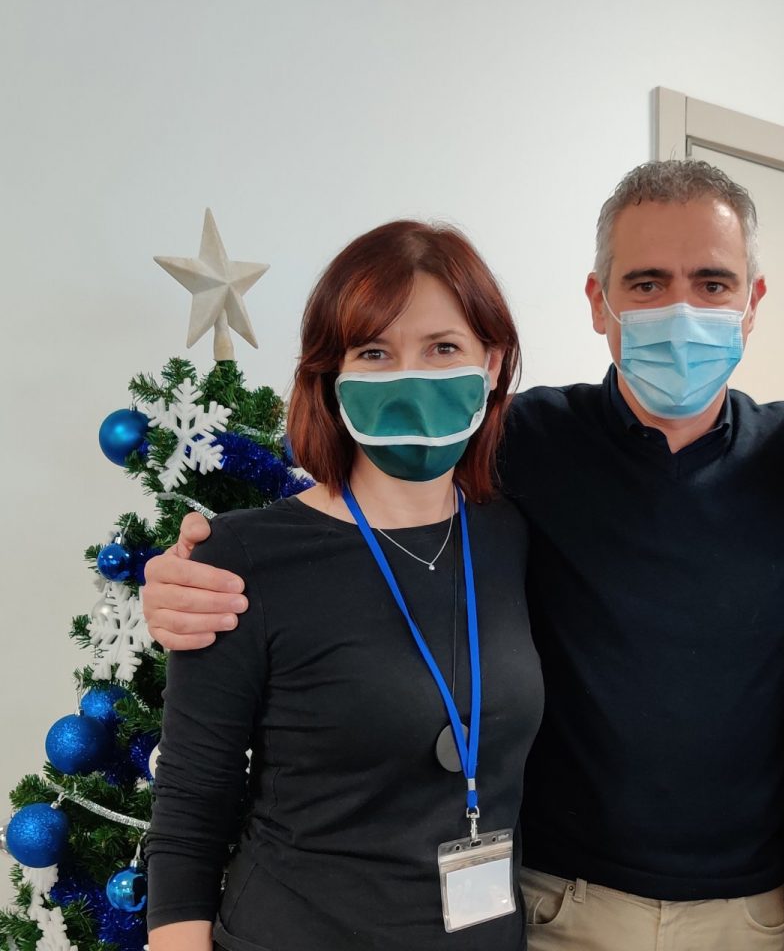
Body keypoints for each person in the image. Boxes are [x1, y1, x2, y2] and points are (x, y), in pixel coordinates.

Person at [143, 161, 784, 951]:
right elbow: (371, 495)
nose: (680, 310)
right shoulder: (519, 446)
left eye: (711, 283)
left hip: (753, 913)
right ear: (598, 300)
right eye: (647, 283)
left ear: (752, 300)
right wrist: (187, 571)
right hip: (555, 907)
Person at [145, 221, 542, 951]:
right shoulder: (243, 557)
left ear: (491, 363)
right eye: (375, 353)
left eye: (443, 348)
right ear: (333, 375)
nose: (410, 378)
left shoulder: (509, 535)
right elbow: (191, 807)